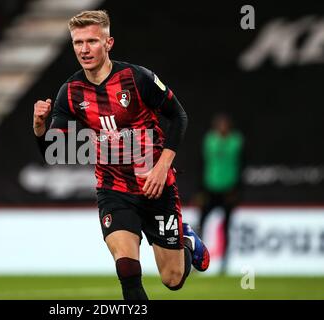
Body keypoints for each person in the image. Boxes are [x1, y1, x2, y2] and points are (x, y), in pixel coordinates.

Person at [33, 10, 209, 300]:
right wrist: (39, 127)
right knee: (127, 272)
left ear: (109, 43)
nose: (84, 49)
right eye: (78, 42)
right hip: (113, 190)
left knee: (173, 279)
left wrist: (163, 167)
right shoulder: (71, 92)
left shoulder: (137, 78)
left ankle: (187, 240)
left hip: (155, 187)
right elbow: (53, 151)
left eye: (92, 41)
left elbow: (178, 116)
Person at [197, 113, 244, 274]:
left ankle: (224, 264)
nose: (222, 128)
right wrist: (200, 191)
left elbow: (242, 165)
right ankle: (196, 258)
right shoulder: (210, 140)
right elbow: (201, 163)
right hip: (210, 189)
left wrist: (237, 190)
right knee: (201, 225)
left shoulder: (236, 141)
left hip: (228, 191)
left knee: (226, 228)